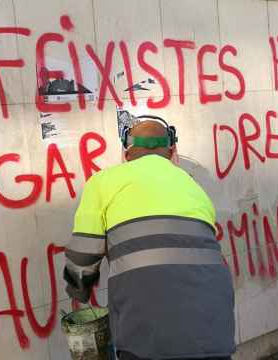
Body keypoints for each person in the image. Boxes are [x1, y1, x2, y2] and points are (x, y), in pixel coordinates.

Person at [63, 115, 236, 360]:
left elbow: (83, 257)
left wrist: (78, 292)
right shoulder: (192, 185)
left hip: (146, 331)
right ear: (172, 149)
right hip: (212, 327)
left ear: (127, 150)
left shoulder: (102, 183)